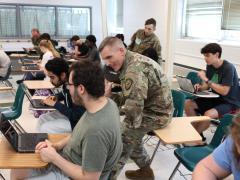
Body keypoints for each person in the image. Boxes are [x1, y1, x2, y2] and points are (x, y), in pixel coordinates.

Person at [11, 60, 122, 180]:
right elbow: (79, 133)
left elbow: (90, 178)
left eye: (69, 85)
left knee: (19, 169)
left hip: (71, 174)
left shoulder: (96, 131)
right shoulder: (105, 104)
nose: (67, 89)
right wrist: (57, 146)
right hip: (68, 159)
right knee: (18, 167)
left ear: (81, 89)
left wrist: (54, 158)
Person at [99, 37, 173, 180]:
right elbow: (130, 97)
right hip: (148, 108)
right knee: (132, 139)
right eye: (105, 59)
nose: (108, 63)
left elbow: (133, 110)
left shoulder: (134, 69)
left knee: (121, 140)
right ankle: (145, 172)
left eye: (109, 57)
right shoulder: (129, 62)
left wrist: (107, 108)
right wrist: (109, 97)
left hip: (157, 115)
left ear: (121, 51)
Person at [185, 43, 240, 140]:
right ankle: (198, 136)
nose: (205, 58)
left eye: (207, 55)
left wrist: (205, 79)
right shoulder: (210, 66)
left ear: (217, 55)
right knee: (188, 104)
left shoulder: (228, 68)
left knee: (208, 114)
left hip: (229, 102)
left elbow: (224, 91)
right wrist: (200, 87)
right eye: (204, 56)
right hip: (215, 98)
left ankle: (193, 137)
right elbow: (207, 86)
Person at [37, 58, 85, 133]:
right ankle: (39, 142)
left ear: (62, 75)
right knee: (42, 118)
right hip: (69, 114)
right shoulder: (66, 82)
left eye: (52, 77)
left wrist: (55, 104)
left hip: (78, 122)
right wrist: (55, 97)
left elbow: (76, 115)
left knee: (45, 128)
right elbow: (64, 93)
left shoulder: (76, 87)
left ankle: (47, 144)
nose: (51, 81)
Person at [192, 114, 240, 179]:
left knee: (208, 114)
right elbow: (207, 169)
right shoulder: (236, 136)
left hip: (228, 105)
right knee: (190, 105)